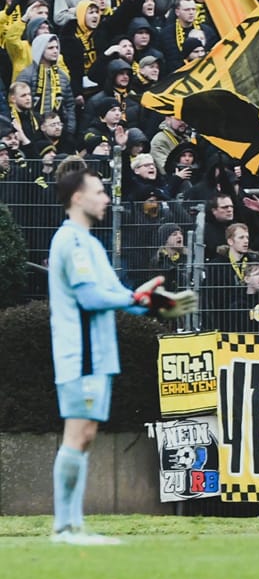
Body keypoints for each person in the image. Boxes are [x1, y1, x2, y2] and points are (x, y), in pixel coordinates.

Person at [46, 155, 171, 544]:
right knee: (77, 433)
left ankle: (72, 524)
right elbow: (89, 295)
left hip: (97, 352)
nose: (106, 199)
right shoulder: (70, 240)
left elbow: (115, 294)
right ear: (79, 197)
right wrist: (134, 298)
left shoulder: (91, 245)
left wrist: (152, 303)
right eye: (100, 192)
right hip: (80, 350)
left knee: (84, 435)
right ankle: (65, 527)